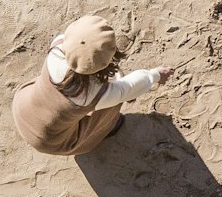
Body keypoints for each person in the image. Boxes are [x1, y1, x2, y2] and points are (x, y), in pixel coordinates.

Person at [12, 12, 172, 156]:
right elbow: (129, 88)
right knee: (112, 100)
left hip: (22, 107)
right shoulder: (94, 93)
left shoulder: (57, 48)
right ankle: (107, 128)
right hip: (49, 139)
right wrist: (156, 75)